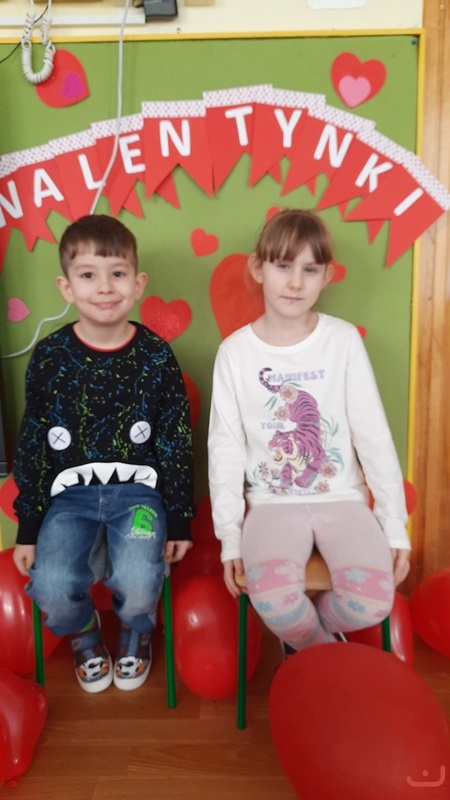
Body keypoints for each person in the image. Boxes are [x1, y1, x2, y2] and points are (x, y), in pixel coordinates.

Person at [208, 208, 410, 654]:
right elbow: (225, 449)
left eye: (310, 269)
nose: (295, 282)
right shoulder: (235, 353)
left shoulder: (342, 341)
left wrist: (394, 524)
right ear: (258, 269)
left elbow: (373, 435)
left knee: (372, 603)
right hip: (271, 504)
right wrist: (230, 538)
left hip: (342, 499)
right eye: (283, 266)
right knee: (274, 604)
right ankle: (321, 651)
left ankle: (305, 642)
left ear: (327, 275)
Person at [13, 214, 194, 693]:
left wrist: (179, 519)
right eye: (88, 274)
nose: (105, 287)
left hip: (138, 496)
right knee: (50, 585)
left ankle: (137, 630)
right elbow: (33, 442)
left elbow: (175, 439)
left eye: (117, 273)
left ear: (138, 284)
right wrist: (29, 527)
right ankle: (84, 632)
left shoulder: (155, 356)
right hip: (68, 498)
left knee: (139, 579)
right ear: (67, 287)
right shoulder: (49, 357)